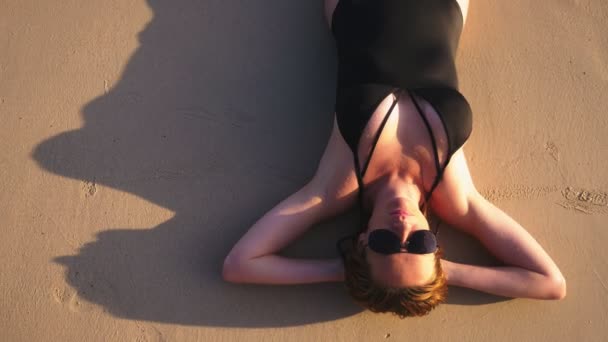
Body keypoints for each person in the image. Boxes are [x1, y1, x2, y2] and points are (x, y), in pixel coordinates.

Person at [222, 0, 566, 317]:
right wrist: (440, 274)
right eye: (419, 243)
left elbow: (241, 264)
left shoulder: (337, 186)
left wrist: (342, 270)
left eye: (384, 244)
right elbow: (549, 282)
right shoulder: (456, 198)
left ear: (361, 241)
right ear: (435, 247)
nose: (402, 227)